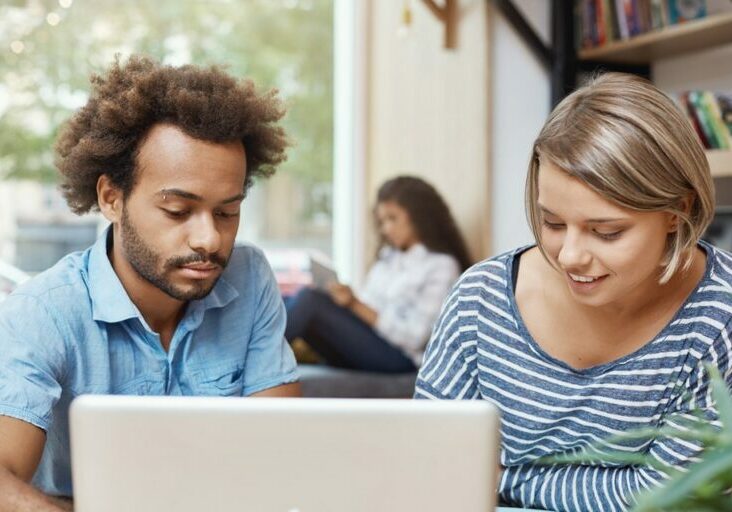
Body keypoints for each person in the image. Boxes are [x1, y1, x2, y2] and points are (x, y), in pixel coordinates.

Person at [416, 72, 732, 511]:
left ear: (677, 213)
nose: (570, 256)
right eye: (553, 223)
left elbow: (667, 498)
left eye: (606, 232)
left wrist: (505, 478)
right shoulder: (481, 300)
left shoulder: (720, 317)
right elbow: (427, 466)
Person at [0, 55, 300, 511]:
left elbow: (282, 457)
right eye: (178, 211)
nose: (209, 239)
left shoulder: (249, 277)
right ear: (111, 198)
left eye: (227, 212)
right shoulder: (43, 311)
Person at [286, 176, 471, 373]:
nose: (386, 229)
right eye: (382, 221)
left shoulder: (441, 266)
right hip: (368, 340)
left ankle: (254, 363)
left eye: (392, 218)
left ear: (419, 215)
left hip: (400, 357)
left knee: (309, 300)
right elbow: (369, 304)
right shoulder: (388, 258)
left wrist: (355, 305)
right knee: (287, 299)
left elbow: (416, 337)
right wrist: (346, 301)